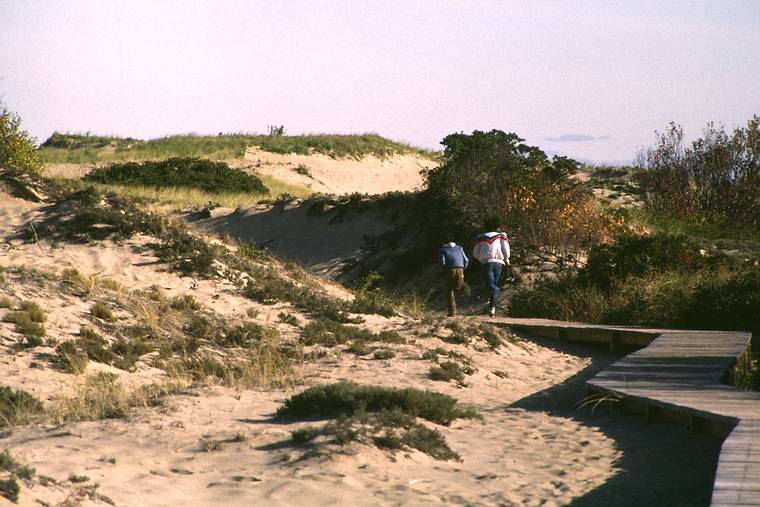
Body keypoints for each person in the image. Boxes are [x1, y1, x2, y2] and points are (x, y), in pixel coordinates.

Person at [472, 220, 510, 316]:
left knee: (491, 284)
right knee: (495, 286)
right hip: (499, 262)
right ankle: (493, 308)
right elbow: (505, 248)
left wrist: (482, 258)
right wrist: (507, 259)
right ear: (497, 226)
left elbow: (475, 252)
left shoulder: (480, 237)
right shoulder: (501, 236)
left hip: (486, 263)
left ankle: (492, 308)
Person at [439, 235, 469, 316]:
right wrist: (463, 268)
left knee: (449, 290)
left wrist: (443, 270)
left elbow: (442, 262)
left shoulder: (443, 249)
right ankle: (464, 289)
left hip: (450, 269)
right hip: (460, 268)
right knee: (459, 285)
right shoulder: (460, 248)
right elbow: (466, 259)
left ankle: (452, 312)